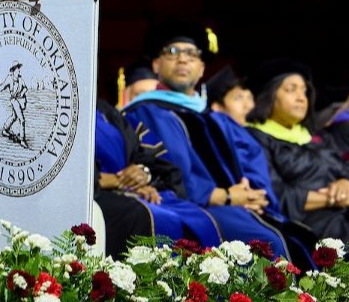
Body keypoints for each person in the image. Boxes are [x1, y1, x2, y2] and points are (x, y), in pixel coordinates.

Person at [123, 22, 296, 260]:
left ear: (202, 68)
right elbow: (171, 169)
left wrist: (255, 196)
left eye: (191, 54)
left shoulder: (217, 119)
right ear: (156, 65)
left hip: (242, 206)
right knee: (266, 242)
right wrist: (224, 195)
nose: (182, 59)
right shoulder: (148, 112)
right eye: (172, 52)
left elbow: (253, 157)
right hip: (198, 208)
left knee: (301, 237)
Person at [246, 59, 349, 241]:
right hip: (309, 224)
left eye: (304, 91)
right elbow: (273, 193)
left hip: (347, 210)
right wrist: (333, 199)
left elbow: (346, 168)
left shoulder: (312, 136)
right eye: (291, 89)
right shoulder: (255, 138)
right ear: (270, 94)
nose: (301, 97)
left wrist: (346, 183)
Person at [94, 98, 222, 256]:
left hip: (133, 190)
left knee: (200, 218)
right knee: (141, 214)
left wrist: (143, 173)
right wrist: (112, 181)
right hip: (98, 193)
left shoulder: (105, 110)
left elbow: (151, 158)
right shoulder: (66, 114)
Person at [0, 61, 30, 148]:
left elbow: (25, 88)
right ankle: (22, 140)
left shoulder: (20, 79)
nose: (19, 71)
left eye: (19, 69)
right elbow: (2, 87)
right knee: (22, 119)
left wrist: (22, 93)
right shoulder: (9, 79)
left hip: (20, 100)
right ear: (13, 71)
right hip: (14, 101)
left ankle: (5, 130)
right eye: (17, 70)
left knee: (14, 117)